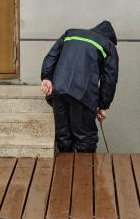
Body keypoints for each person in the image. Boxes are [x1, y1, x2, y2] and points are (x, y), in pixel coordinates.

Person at [40, 21, 119, 153]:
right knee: (85, 139)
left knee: (63, 136)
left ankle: (65, 166)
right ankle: (85, 167)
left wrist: (46, 77)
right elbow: (109, 79)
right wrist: (103, 105)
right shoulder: (108, 45)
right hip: (84, 95)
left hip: (58, 90)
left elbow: (51, 56)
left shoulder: (70, 34)